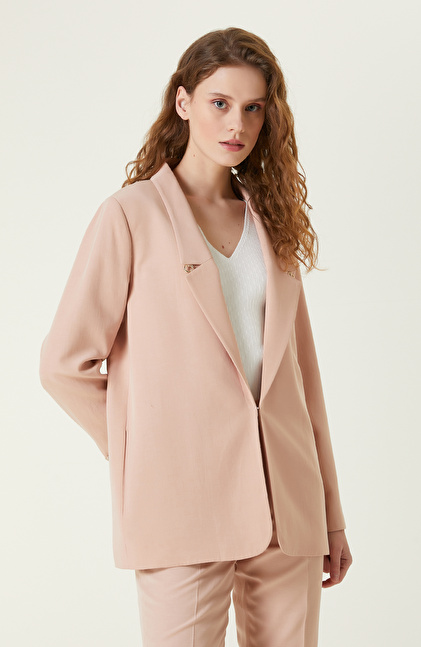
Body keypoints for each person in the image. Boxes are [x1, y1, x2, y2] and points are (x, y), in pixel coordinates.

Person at [39, 26, 352, 647]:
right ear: (183, 102)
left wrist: (331, 516)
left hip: (287, 507)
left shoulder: (273, 224)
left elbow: (304, 385)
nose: (237, 123)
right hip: (182, 507)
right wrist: (146, 450)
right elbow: (63, 365)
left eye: (253, 108)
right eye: (220, 103)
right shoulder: (130, 216)